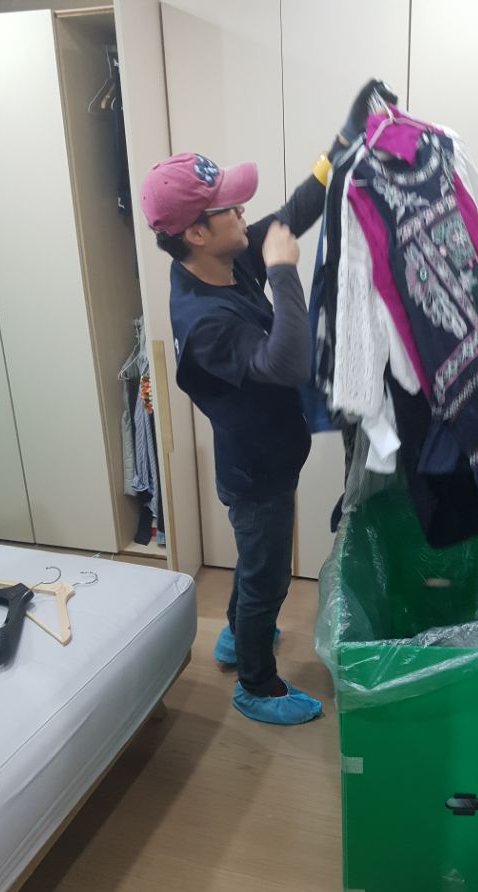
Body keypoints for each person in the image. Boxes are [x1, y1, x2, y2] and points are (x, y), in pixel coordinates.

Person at [140, 80, 395, 725]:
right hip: (256, 475)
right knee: (268, 578)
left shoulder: (221, 259)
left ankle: (235, 635)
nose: (243, 214)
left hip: (269, 456)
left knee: (256, 567)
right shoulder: (203, 319)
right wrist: (283, 270)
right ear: (196, 232)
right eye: (228, 209)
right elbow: (286, 361)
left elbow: (293, 212)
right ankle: (256, 684)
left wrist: (343, 140)